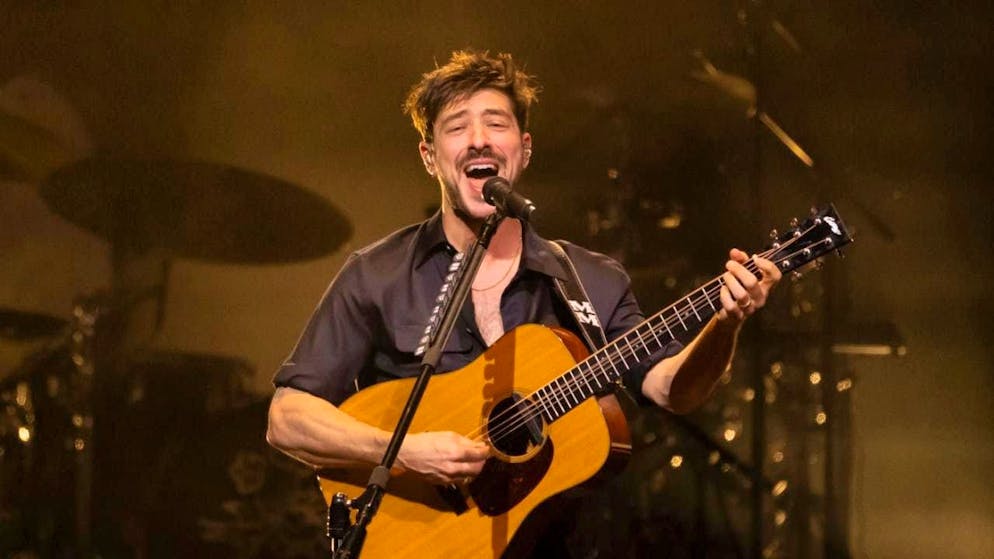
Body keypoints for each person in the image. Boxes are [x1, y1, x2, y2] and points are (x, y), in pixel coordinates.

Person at [266, 49, 782, 557]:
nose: (478, 140)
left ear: (524, 148)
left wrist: (725, 322)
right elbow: (288, 418)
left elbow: (671, 388)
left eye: (496, 123)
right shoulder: (377, 274)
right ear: (429, 157)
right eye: (456, 126)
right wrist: (406, 452)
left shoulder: (590, 280)